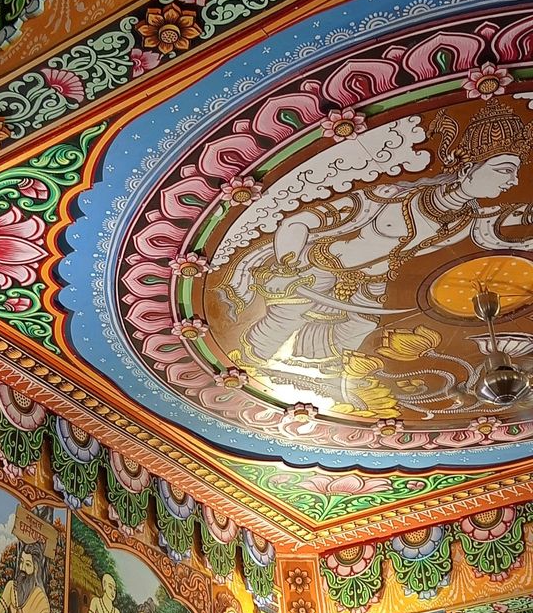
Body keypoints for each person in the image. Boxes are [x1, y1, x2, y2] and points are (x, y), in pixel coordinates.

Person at [219, 100, 533, 406]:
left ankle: (318, 374)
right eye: (504, 170)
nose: (513, 181)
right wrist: (289, 264)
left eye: (514, 173)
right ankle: (254, 361)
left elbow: (499, 223)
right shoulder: (389, 199)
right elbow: (298, 222)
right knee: (284, 319)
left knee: (359, 330)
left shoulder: (463, 219)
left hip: (374, 283)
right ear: (466, 169)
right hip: (321, 266)